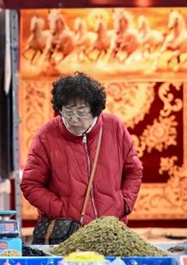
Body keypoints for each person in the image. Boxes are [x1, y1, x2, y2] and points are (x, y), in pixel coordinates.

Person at [21, 72, 143, 242]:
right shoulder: (46, 135)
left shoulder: (114, 127)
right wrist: (63, 210)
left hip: (111, 230)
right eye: (67, 111)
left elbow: (134, 171)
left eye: (81, 112)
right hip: (68, 234)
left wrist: (124, 204)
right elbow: (31, 184)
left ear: (95, 110)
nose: (74, 119)